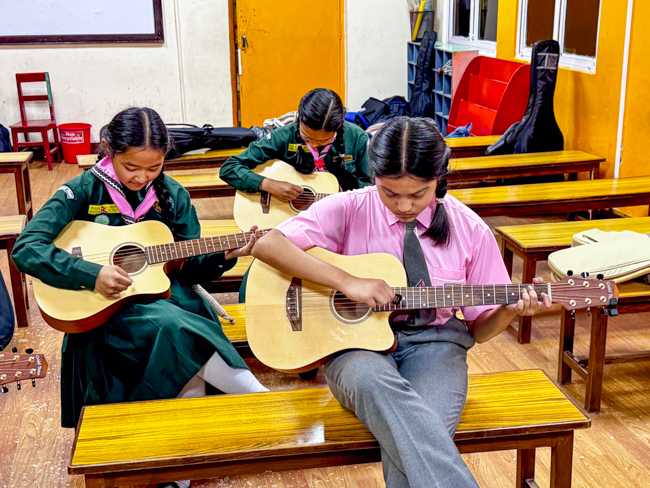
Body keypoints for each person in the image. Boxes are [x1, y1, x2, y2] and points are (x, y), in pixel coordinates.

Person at [251, 116, 552, 487]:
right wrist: (347, 281)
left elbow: (480, 329)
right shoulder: (349, 207)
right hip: (354, 352)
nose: (404, 205)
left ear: (439, 180)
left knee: (415, 436)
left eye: (419, 193)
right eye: (390, 193)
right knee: (390, 400)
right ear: (373, 175)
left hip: (436, 347)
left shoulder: (469, 228)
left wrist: (509, 310)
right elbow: (268, 244)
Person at [12, 107, 267, 434]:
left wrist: (225, 255)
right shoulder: (81, 191)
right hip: (108, 312)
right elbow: (26, 248)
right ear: (108, 148)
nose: (141, 177)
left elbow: (188, 271)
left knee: (178, 324)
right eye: (130, 166)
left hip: (168, 297)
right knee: (175, 329)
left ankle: (181, 463)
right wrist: (91, 273)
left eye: (154, 167)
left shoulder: (173, 195)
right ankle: (259, 399)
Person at [220, 88, 371, 202]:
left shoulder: (357, 138)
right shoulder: (283, 136)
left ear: (338, 128)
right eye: (307, 137)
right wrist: (267, 184)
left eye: (323, 141)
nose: (313, 143)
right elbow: (229, 168)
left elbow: (369, 187)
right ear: (299, 120)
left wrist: (348, 198)